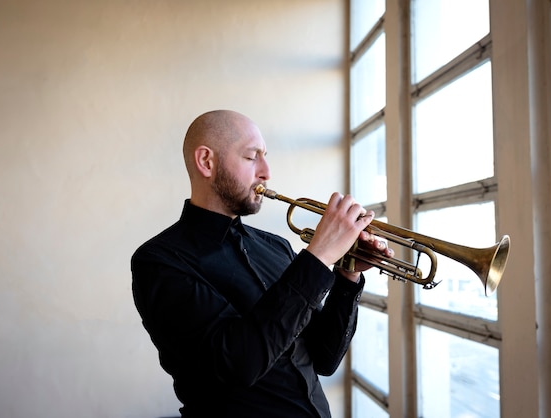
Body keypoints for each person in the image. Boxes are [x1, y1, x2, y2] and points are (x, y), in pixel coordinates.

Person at [131, 110, 393, 417]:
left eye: (265, 156)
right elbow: (240, 364)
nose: (267, 171)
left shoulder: (275, 246)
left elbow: (324, 358)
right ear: (206, 161)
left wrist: (347, 275)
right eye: (251, 156)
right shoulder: (160, 262)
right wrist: (319, 256)